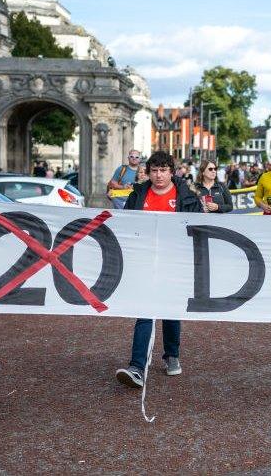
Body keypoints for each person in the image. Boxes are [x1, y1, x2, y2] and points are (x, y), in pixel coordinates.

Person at [116, 152, 202, 389]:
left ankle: (171, 354)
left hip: (174, 261)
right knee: (145, 311)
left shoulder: (186, 197)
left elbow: (198, 228)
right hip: (146, 260)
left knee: (171, 310)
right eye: (154, 170)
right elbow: (125, 224)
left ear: (171, 172)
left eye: (163, 170)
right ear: (149, 172)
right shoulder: (138, 195)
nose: (159, 175)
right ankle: (136, 367)